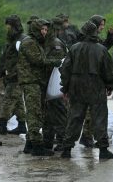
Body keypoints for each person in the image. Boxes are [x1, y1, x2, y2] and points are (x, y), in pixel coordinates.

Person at [60, 21, 113, 159]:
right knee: (99, 117)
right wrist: (109, 86)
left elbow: (65, 70)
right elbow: (108, 71)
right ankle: (103, 150)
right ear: (95, 33)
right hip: (96, 87)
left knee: (74, 117)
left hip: (76, 87)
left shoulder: (74, 48)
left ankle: (66, 149)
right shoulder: (101, 49)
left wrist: (65, 88)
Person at [17, 18, 62, 156]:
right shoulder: (29, 42)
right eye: (42, 29)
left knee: (37, 111)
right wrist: (55, 62)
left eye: (46, 30)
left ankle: (30, 144)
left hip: (35, 82)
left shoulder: (35, 42)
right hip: (31, 82)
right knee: (34, 113)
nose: (44, 32)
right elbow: (38, 60)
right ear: (36, 29)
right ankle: (37, 145)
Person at [79, 14, 113, 147]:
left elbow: (102, 49)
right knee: (90, 110)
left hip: (95, 78)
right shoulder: (83, 39)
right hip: (87, 78)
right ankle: (86, 136)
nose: (102, 28)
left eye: (103, 25)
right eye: (100, 25)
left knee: (92, 111)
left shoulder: (95, 39)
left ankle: (88, 135)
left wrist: (111, 37)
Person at [0, 15, 27, 135]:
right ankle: (22, 125)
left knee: (8, 100)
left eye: (8, 26)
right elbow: (6, 58)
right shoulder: (12, 40)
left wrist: (14, 73)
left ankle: (2, 125)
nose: (7, 29)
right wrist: (1, 72)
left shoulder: (21, 40)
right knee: (18, 101)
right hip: (11, 76)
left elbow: (23, 60)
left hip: (16, 77)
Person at [42, 17, 68, 151]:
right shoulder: (45, 43)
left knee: (59, 113)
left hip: (55, 85)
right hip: (47, 84)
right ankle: (47, 141)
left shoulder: (56, 44)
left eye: (47, 29)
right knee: (47, 115)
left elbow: (59, 62)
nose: (44, 32)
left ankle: (63, 141)